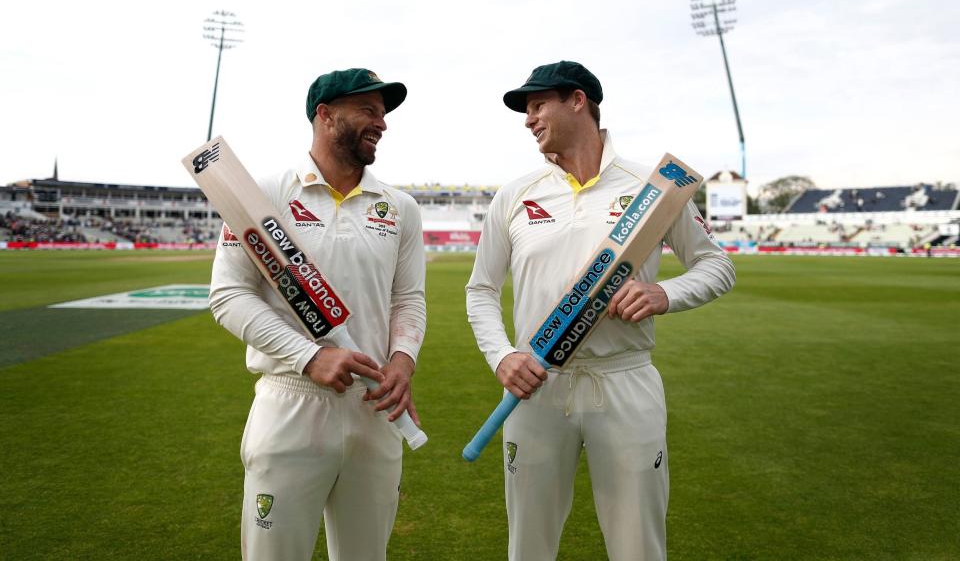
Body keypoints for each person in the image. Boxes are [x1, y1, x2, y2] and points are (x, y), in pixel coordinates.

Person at [465, 61, 736, 560]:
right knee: (529, 546)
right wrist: (501, 356)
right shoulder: (516, 194)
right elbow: (481, 290)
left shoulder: (655, 186)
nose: (528, 119)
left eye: (537, 104)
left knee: (638, 545)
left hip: (625, 381)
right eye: (526, 110)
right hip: (536, 384)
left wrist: (665, 295)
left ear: (578, 101)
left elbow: (717, 265)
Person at [208, 68, 427, 561]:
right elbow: (227, 295)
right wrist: (309, 357)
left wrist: (402, 361)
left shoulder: (400, 208)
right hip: (292, 403)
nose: (383, 123)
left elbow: (408, 299)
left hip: (374, 408)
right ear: (326, 116)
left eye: (384, 112)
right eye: (369, 110)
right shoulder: (260, 195)